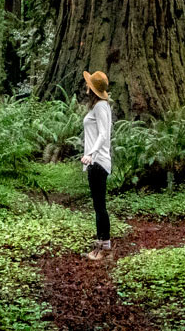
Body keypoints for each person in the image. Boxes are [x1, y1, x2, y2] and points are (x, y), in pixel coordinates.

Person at [80, 70, 114, 252]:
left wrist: (91, 154)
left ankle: (105, 241)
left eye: (89, 84)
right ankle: (101, 240)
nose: (87, 86)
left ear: (92, 89)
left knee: (99, 204)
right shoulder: (101, 106)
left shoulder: (101, 106)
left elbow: (103, 134)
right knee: (98, 204)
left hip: (98, 162)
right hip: (97, 161)